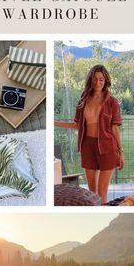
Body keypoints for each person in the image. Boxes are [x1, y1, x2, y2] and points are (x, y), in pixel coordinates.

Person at [55, 64, 124, 203]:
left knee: (102, 192)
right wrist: (53, 122)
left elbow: (115, 128)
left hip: (107, 148)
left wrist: (120, 152)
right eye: (94, 79)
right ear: (90, 80)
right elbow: (77, 125)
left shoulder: (112, 102)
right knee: (92, 193)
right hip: (88, 147)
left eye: (101, 79)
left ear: (106, 81)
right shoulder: (83, 101)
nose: (97, 82)